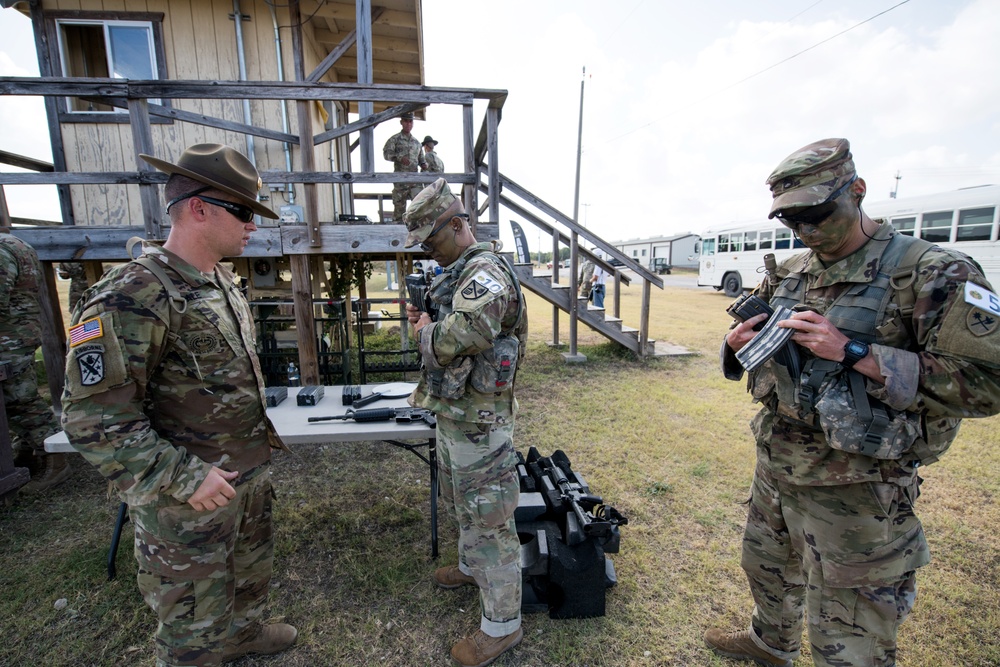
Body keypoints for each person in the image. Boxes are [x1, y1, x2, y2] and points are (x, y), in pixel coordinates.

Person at [708, 138, 1000, 667]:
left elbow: (987, 383)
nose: (806, 230)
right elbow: (765, 349)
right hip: (779, 463)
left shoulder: (934, 273)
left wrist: (856, 352)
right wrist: (737, 347)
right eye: (792, 220)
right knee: (766, 566)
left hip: (860, 482)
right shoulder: (795, 268)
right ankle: (770, 644)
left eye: (817, 213)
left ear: (858, 191)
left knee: (850, 625)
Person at [60, 143, 297, 667]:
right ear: (198, 207)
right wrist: (184, 477)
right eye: (243, 211)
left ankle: (242, 635)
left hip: (242, 481)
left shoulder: (218, 282)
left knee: (247, 582)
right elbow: (92, 418)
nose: (252, 226)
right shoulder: (133, 294)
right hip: (185, 501)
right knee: (192, 628)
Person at [403, 178, 527, 667]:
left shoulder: (485, 270)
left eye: (433, 241)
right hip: (457, 415)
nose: (431, 252)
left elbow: (472, 328)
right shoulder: (457, 271)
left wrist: (426, 333)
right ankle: (472, 569)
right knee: (463, 503)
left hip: (481, 421)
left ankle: (501, 627)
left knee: (490, 520)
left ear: (458, 225)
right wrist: (427, 314)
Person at [0, 229, 66, 494]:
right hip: (18, 334)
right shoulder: (16, 243)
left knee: (19, 401)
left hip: (8, 338)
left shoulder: (4, 249)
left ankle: (54, 458)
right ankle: (31, 449)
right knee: (19, 398)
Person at [382, 112, 426, 221]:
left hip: (414, 182)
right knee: (399, 214)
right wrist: (399, 158)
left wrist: (425, 166)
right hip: (400, 182)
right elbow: (386, 154)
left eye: (410, 121)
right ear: (401, 122)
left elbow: (422, 161)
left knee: (419, 210)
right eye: (406, 121)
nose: (408, 124)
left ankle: (419, 234)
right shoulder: (395, 139)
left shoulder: (417, 143)